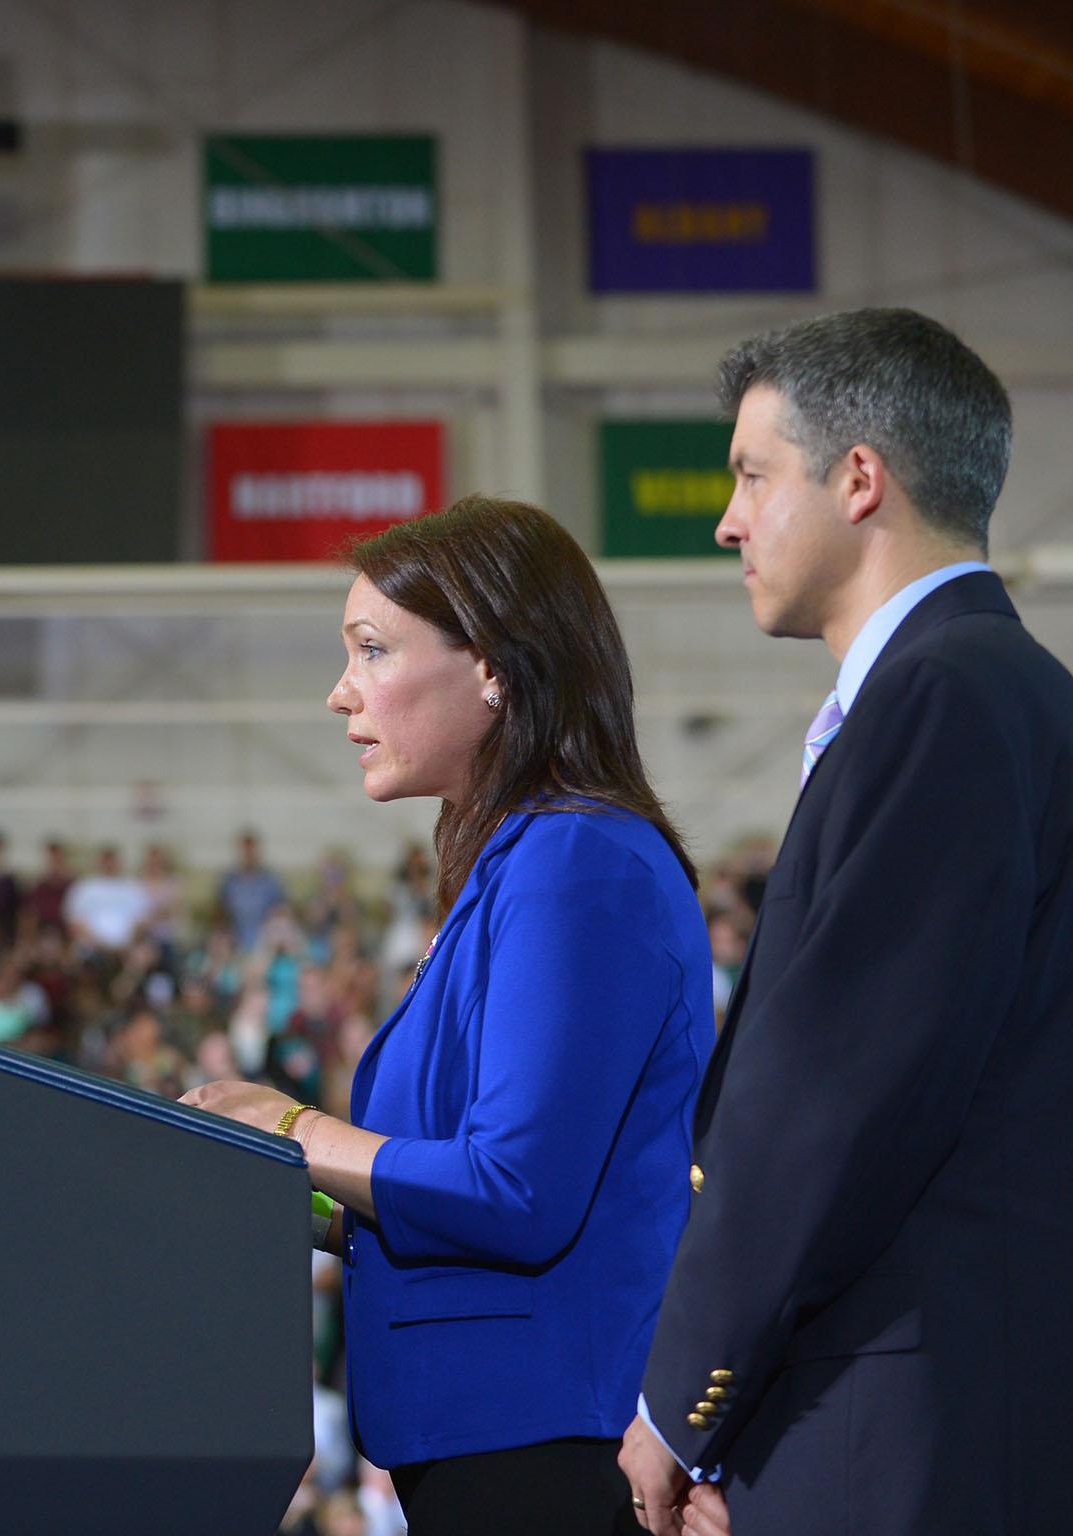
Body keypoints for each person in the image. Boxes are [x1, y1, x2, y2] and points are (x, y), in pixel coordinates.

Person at [619, 309, 1073, 1536]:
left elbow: (837, 1092)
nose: (727, 519)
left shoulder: (938, 698)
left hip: (895, 1409)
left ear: (857, 480)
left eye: (751, 475)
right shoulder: (994, 693)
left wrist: (676, 1404)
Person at [186, 496, 714, 1535]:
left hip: (542, 1445)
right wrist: (278, 1185)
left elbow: (514, 1188)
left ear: (493, 670)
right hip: (484, 1439)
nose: (340, 694)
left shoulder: (574, 862)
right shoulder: (517, 866)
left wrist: (293, 1131)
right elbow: (458, 1188)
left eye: (371, 651)